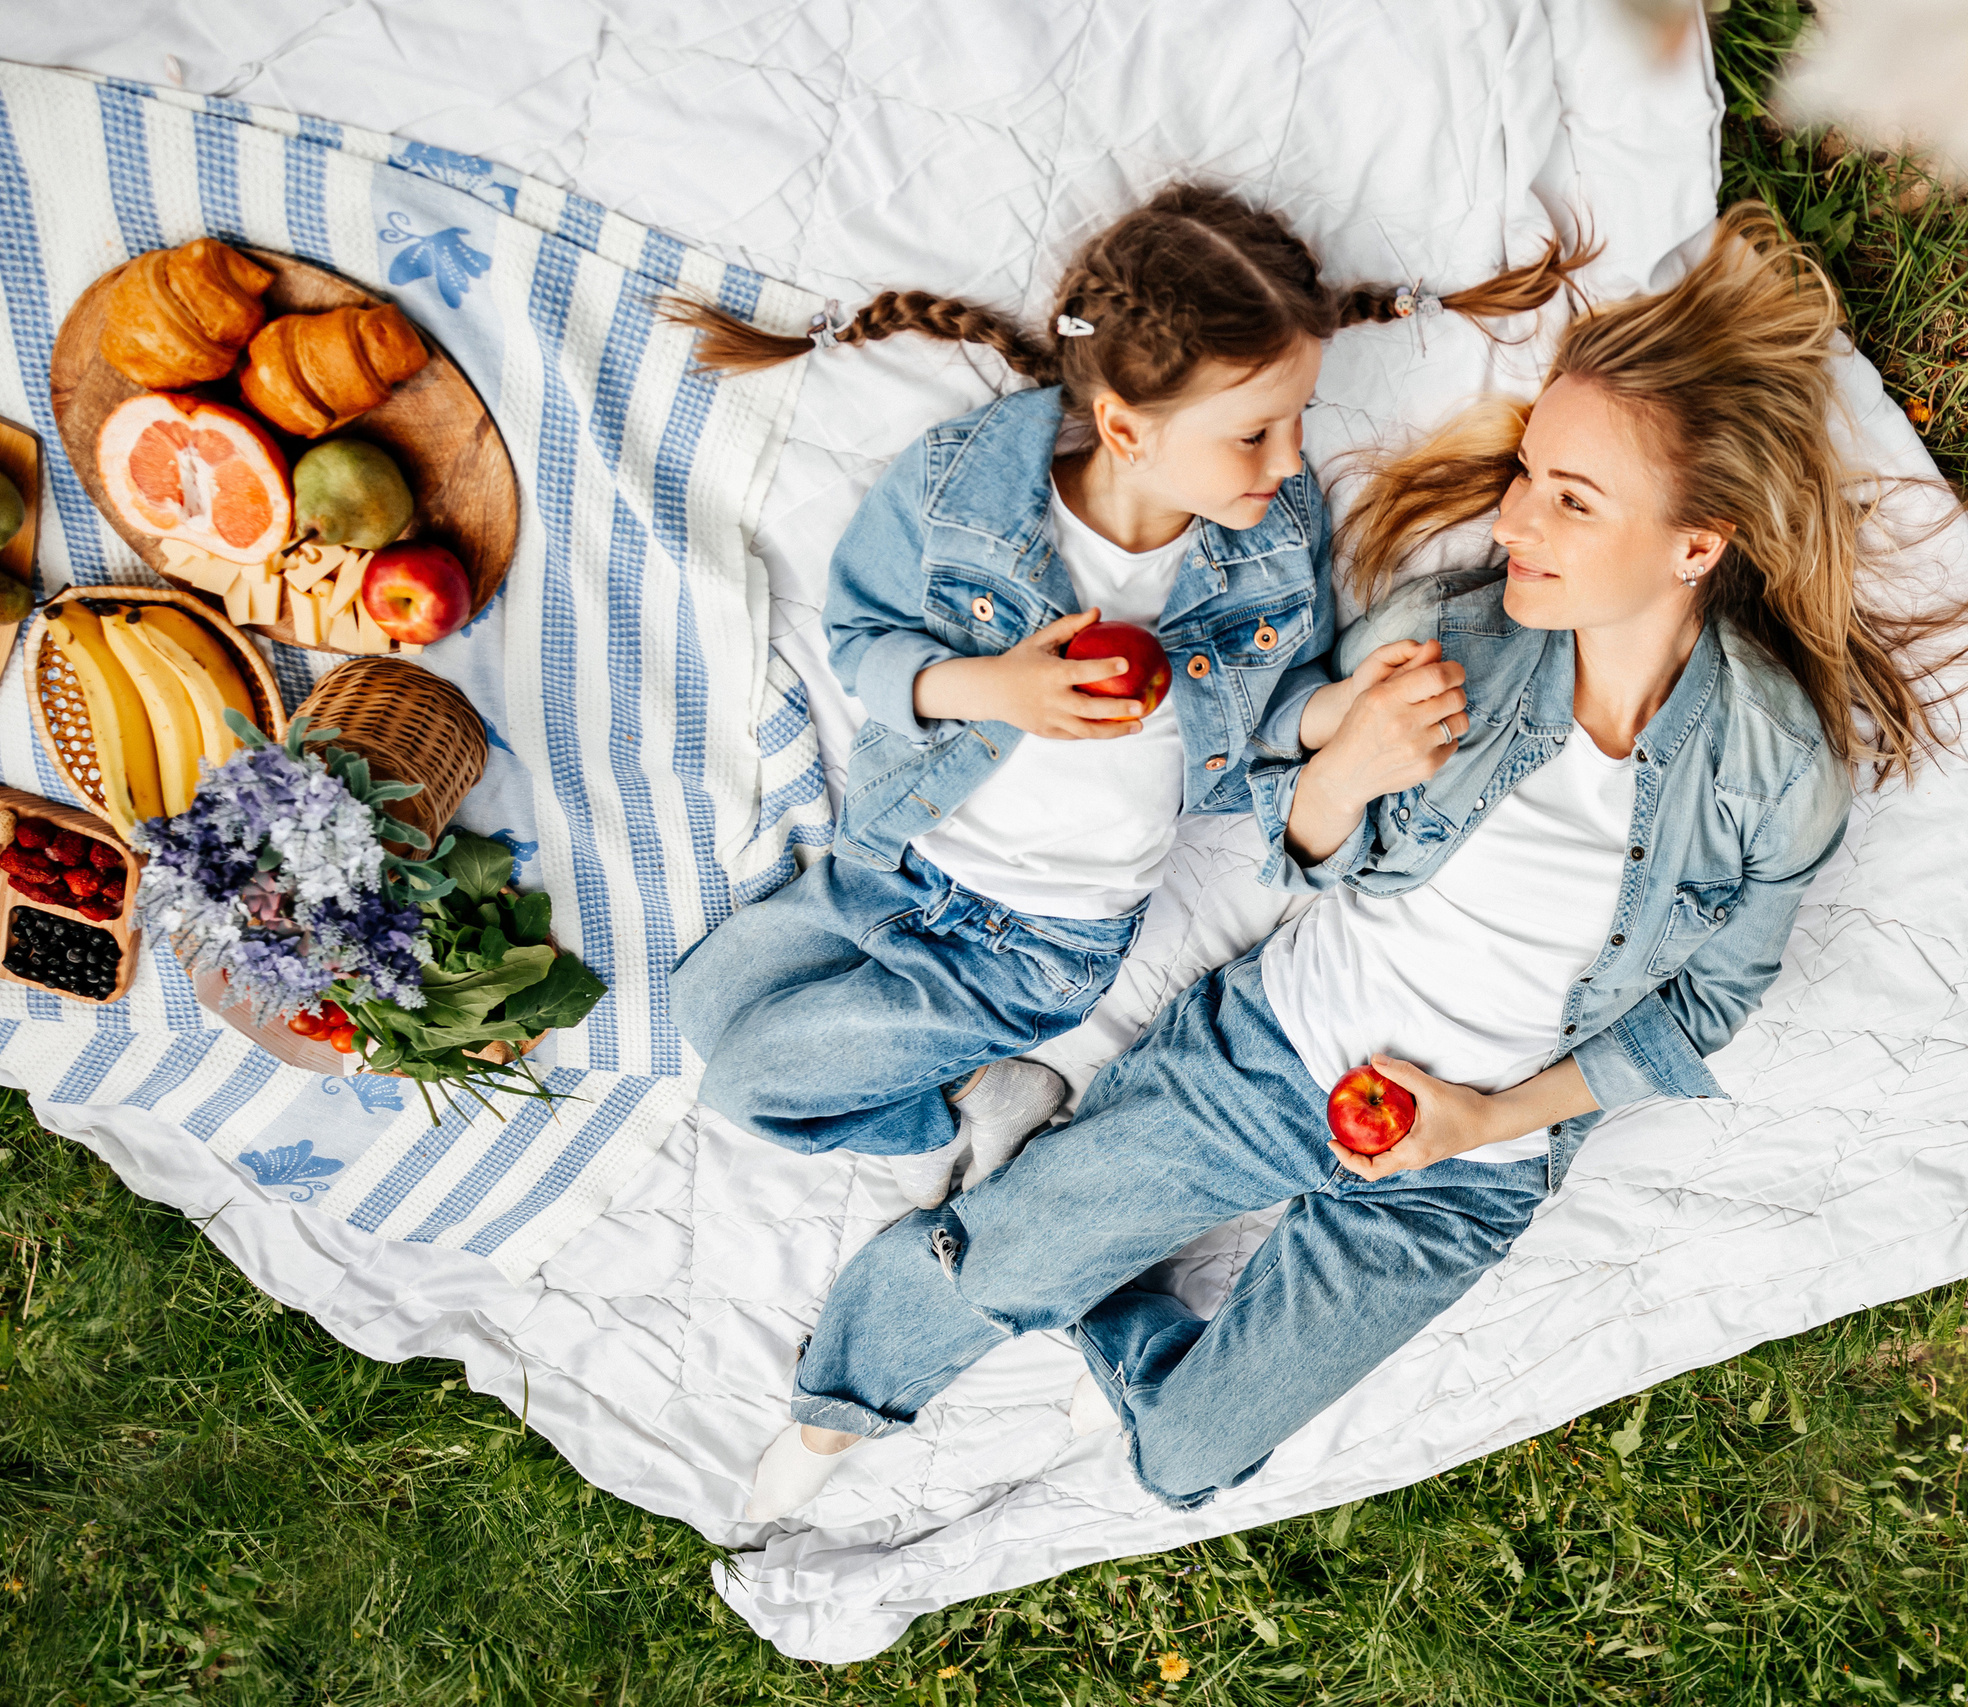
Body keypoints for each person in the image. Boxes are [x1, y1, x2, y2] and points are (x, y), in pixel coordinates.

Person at [742, 203, 1968, 1520]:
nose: (1514, 521)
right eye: (1524, 476)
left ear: (1695, 545)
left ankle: (1096, 1268)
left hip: (1461, 1176)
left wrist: (1488, 1120)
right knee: (989, 1264)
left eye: (1570, 497)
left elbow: (1706, 1004)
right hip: (1272, 1057)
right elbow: (1276, 817)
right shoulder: (1451, 638)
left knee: (1188, 1460)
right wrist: (1343, 769)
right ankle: (832, 1417)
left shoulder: (1772, 764)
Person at [666, 184, 1586, 1210]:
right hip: (895, 860)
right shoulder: (962, 484)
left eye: (1298, 423)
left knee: (750, 1084)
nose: (1290, 462)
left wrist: (1348, 711)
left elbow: (1265, 726)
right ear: (1123, 426)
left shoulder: (1271, 545)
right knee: (700, 1005)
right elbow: (860, 639)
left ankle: (964, 1093)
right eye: (1254, 433)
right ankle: (977, 1089)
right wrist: (994, 687)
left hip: (1036, 944)